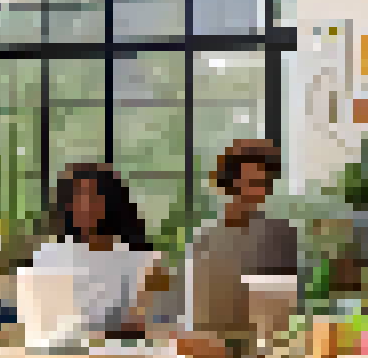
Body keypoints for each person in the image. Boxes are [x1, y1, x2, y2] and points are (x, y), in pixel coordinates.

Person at [25, 163, 165, 341]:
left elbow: (145, 326)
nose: (84, 205)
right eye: (77, 196)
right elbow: (40, 324)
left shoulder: (143, 260)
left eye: (93, 197)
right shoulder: (48, 256)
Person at [182, 140, 299, 343]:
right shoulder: (206, 238)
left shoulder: (280, 233)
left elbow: (284, 308)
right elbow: (198, 312)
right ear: (230, 182)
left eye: (264, 184)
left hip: (269, 345)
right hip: (215, 345)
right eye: (252, 183)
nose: (260, 192)